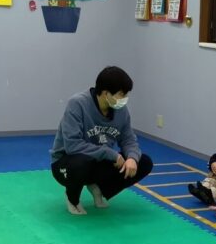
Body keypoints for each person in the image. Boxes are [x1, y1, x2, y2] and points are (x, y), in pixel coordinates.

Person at [50, 66, 154, 215]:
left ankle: (98, 188)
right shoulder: (77, 104)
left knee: (143, 162)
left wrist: (132, 158)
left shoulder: (121, 110)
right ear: (106, 93)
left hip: (98, 162)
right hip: (66, 163)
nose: (124, 99)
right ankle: (72, 198)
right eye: (122, 94)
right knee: (82, 162)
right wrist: (111, 154)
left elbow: (129, 139)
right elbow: (73, 145)